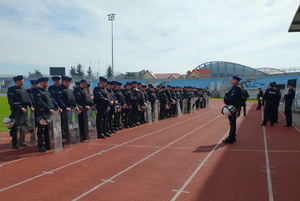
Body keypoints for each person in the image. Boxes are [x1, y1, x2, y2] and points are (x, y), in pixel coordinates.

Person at [33, 77, 61, 152]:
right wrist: (49, 109)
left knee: (47, 129)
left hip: (49, 113)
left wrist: (57, 107)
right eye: (46, 82)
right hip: (41, 113)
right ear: (42, 82)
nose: (47, 84)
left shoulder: (46, 91)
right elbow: (40, 102)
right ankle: (41, 145)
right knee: (41, 130)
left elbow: (52, 99)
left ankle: (47, 144)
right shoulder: (36, 91)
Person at [7, 75, 34, 149]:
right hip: (16, 111)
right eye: (21, 81)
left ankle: (22, 141)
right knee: (16, 127)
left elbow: (28, 100)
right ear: (17, 81)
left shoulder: (24, 89)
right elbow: (11, 102)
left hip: (24, 110)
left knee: (24, 126)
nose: (23, 82)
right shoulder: (11, 90)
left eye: (23, 81)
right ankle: (14, 143)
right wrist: (20, 108)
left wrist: (31, 106)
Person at [54, 75, 81, 144]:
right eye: (68, 82)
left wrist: (75, 106)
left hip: (71, 110)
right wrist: (65, 107)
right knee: (63, 125)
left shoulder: (69, 89)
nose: (69, 83)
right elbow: (58, 99)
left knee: (70, 124)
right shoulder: (59, 89)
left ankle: (69, 137)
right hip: (63, 110)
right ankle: (63, 139)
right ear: (64, 82)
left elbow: (72, 99)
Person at [223, 76, 242, 144]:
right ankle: (232, 136)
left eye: (233, 80)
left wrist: (226, 100)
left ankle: (231, 137)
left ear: (236, 81)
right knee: (232, 123)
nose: (232, 81)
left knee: (232, 123)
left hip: (233, 107)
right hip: (232, 107)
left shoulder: (236, 89)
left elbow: (231, 99)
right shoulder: (234, 88)